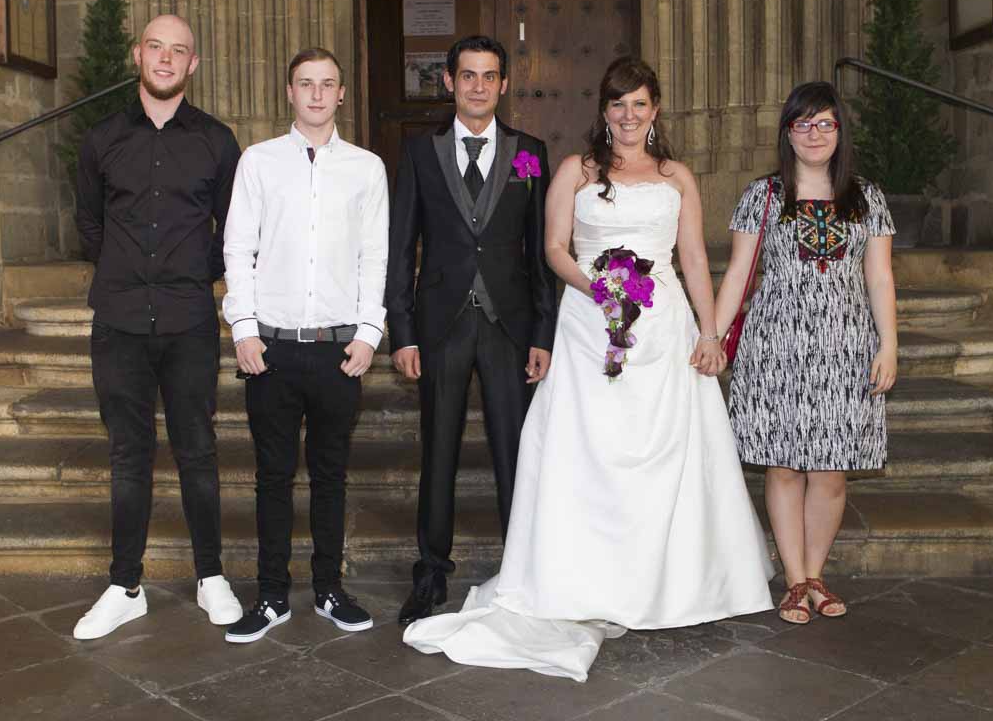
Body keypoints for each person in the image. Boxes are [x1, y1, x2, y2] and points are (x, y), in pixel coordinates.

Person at [402, 57, 774, 681]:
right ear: (603, 111)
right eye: (617, 104)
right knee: (587, 452)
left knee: (667, 453)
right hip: (586, 324)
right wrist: (600, 288)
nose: (628, 116)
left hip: (662, 330)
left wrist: (710, 332)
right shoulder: (576, 169)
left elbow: (690, 257)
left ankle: (666, 582)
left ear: (655, 110)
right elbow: (552, 247)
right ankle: (580, 574)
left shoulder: (678, 177)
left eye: (639, 104)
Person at [72, 14, 243, 640]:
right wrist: (124, 274)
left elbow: (234, 229)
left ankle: (210, 576)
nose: (166, 59)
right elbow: (89, 225)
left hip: (188, 319)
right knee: (128, 455)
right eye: (155, 47)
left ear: (193, 64)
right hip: (118, 321)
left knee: (197, 450)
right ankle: (125, 586)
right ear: (137, 55)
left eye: (178, 50)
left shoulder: (218, 142)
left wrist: (193, 272)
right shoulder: (102, 140)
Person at [385, 35, 558, 625]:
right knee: (438, 451)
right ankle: (431, 572)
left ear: (503, 84)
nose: (478, 86)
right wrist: (403, 331)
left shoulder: (530, 152)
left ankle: (520, 570)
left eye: (489, 76)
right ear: (449, 82)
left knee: (515, 453)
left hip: (509, 326)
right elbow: (400, 245)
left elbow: (539, 249)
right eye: (468, 75)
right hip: (442, 324)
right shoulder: (419, 152)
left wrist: (543, 333)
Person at [715, 81, 898, 625]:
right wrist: (711, 337)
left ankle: (816, 574)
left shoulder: (867, 198)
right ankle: (795, 580)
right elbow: (738, 276)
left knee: (831, 471)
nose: (814, 134)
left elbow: (880, 278)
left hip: (846, 348)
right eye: (802, 124)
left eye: (824, 123)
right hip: (775, 347)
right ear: (787, 133)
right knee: (784, 467)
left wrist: (889, 344)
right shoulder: (763, 195)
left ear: (840, 131)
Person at [222, 48, 389, 643]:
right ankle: (271, 595)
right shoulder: (258, 162)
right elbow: (238, 248)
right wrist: (243, 328)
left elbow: (375, 256)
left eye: (327, 84)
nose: (317, 94)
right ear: (290, 92)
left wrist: (369, 333)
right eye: (305, 84)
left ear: (341, 93)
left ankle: (328, 589)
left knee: (330, 476)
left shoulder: (367, 168)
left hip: (338, 352)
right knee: (272, 477)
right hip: (271, 348)